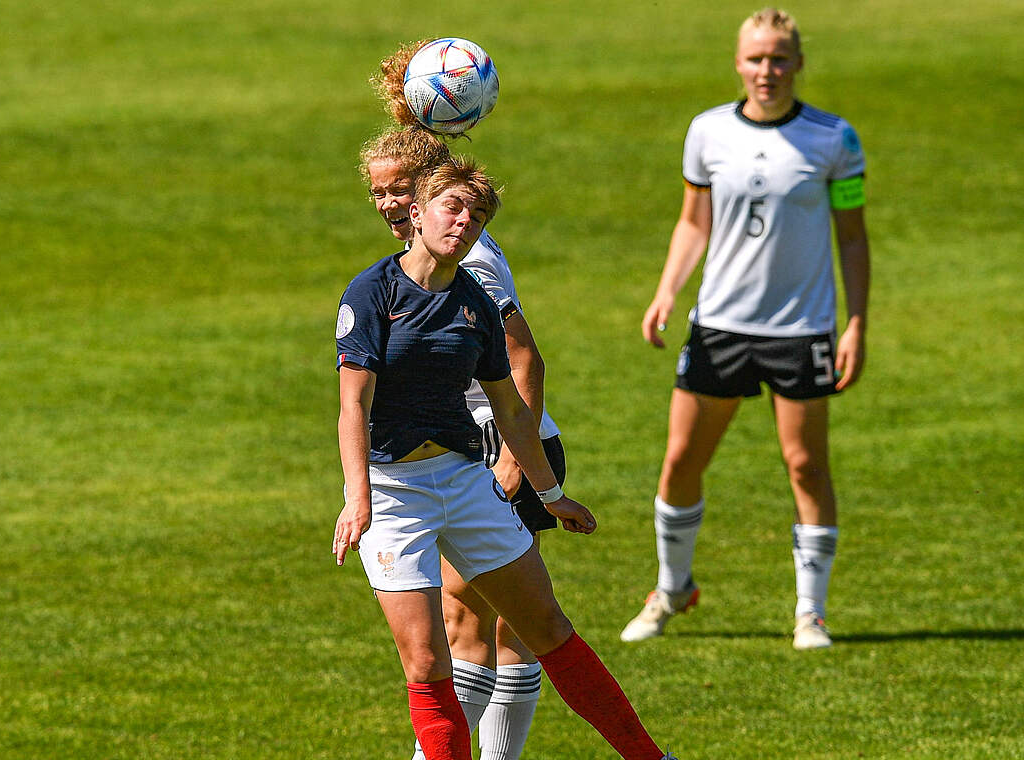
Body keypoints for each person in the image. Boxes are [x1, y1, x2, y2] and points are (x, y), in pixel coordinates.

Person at [334, 157, 674, 760]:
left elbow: (513, 409)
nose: (465, 222)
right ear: (416, 212)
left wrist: (548, 494)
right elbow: (353, 406)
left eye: (478, 214)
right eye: (453, 207)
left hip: (465, 480)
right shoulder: (372, 292)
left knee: (546, 627)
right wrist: (358, 500)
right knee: (427, 659)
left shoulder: (476, 300)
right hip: (395, 493)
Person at [619, 7, 871, 651]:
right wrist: (666, 290)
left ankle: (809, 613)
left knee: (807, 465)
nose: (768, 70)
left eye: (779, 58)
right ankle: (672, 588)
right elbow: (693, 221)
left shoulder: (834, 140)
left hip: (802, 330)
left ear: (799, 64)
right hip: (720, 326)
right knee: (680, 461)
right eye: (756, 58)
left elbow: (852, 237)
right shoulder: (707, 132)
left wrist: (856, 324)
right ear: (738, 62)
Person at [364, 41, 568, 760]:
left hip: (498, 446)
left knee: (494, 626)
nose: (388, 204)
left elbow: (523, 358)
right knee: (481, 625)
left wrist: (516, 465)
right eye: (377, 193)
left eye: (399, 190)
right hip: (467, 446)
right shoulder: (432, 245)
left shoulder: (469, 252)